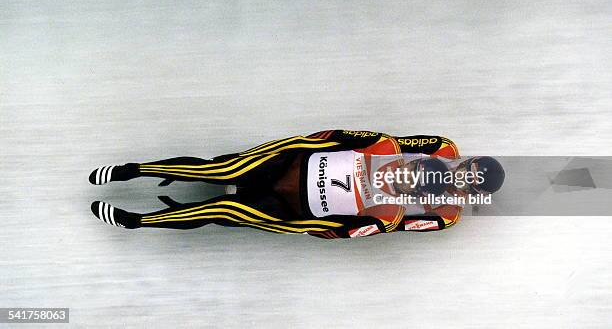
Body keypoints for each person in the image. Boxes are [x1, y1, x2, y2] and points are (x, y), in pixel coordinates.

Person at [89, 129, 502, 239]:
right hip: (296, 164)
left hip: (301, 211)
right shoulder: (422, 146)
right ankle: (134, 170)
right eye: (470, 167)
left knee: (228, 210)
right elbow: (346, 136)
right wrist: (299, 146)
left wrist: (306, 227)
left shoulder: (419, 215)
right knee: (226, 172)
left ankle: (138, 221)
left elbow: (360, 230)